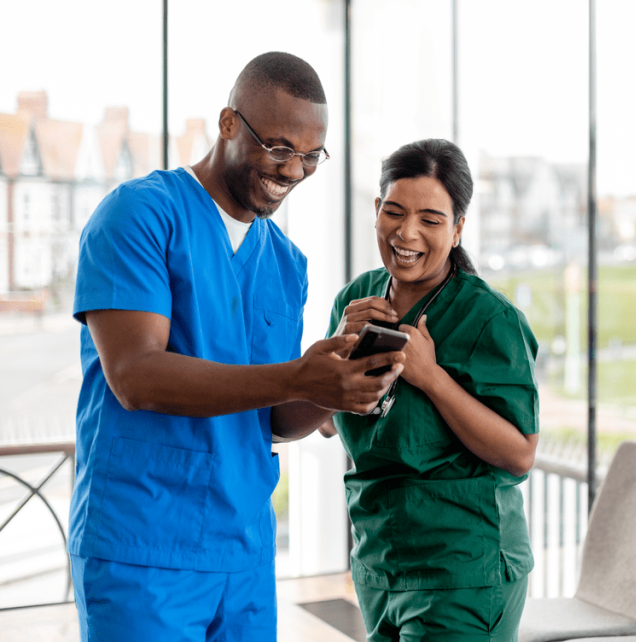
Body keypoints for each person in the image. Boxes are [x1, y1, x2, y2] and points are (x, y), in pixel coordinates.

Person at [70, 51, 404, 642]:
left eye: (310, 155)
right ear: (228, 124)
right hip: (144, 548)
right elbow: (136, 376)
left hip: (245, 554)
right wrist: (299, 376)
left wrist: (337, 384)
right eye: (279, 148)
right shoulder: (140, 216)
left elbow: (275, 419)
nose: (294, 170)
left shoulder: (285, 261)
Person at [320, 138, 540, 642]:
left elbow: (520, 454)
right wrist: (337, 352)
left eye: (432, 220)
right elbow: (331, 426)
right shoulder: (355, 300)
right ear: (376, 211)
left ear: (458, 228)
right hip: (380, 561)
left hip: (464, 568)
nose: (407, 232)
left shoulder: (490, 320)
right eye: (393, 212)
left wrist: (431, 377)